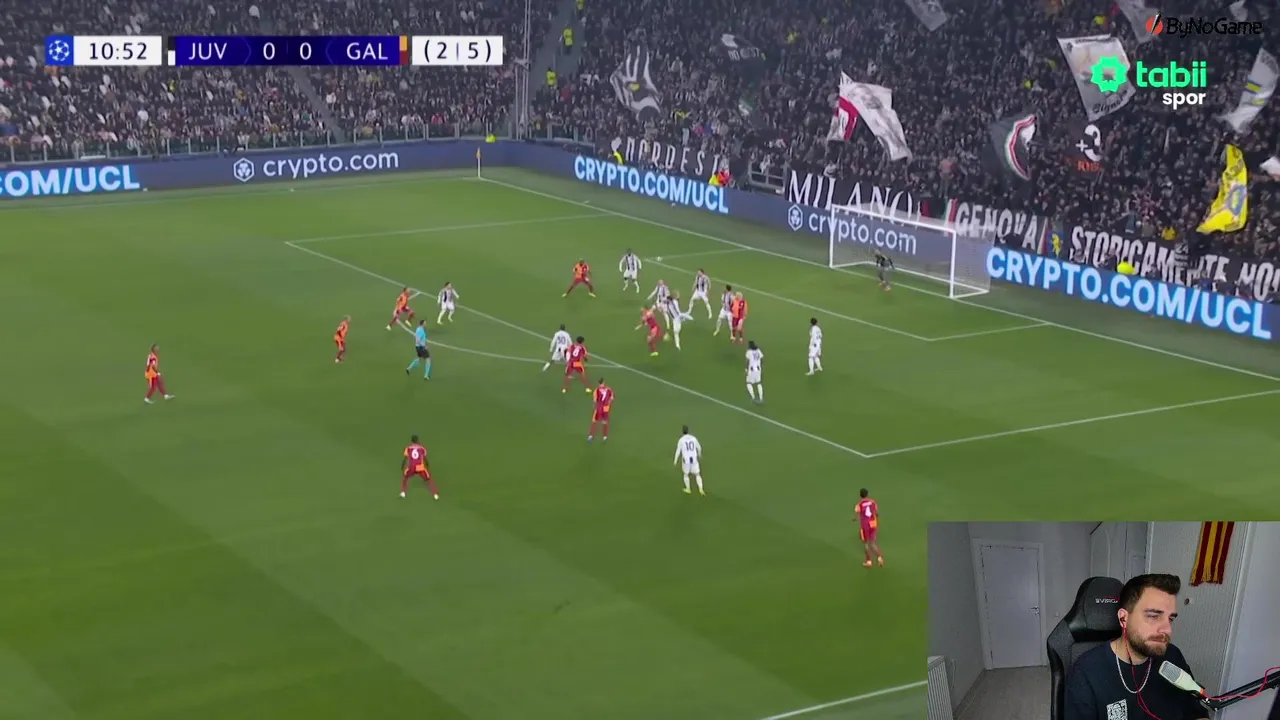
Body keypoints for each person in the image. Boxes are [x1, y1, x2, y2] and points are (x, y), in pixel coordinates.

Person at [1064, 574, 1209, 720]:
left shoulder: (1173, 656)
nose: (1167, 630)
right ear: (1123, 618)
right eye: (1153, 616)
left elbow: (1196, 713)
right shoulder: (1086, 672)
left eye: (1170, 619)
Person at [400, 434, 439, 499]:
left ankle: (403, 493)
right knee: (429, 480)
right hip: (420, 467)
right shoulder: (422, 448)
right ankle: (435, 495)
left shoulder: (408, 448)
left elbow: (405, 458)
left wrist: (402, 466)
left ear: (411, 441)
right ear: (417, 441)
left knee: (405, 478)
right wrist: (427, 466)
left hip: (411, 467)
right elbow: (425, 459)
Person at [673, 425, 704, 495]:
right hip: (694, 459)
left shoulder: (681, 440)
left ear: (682, 431)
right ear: (688, 430)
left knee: (686, 474)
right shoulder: (693, 438)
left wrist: (675, 461)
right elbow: (699, 447)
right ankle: (701, 489)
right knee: (697, 474)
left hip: (686, 460)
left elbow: (678, 451)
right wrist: (699, 454)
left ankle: (688, 489)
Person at [855, 489, 883, 567]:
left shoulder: (859, 504)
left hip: (865, 525)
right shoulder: (873, 502)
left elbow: (857, 514)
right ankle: (880, 557)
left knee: (866, 544)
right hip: (873, 524)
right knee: (872, 542)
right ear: (867, 494)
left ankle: (869, 561)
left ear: (860, 495)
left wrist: (854, 519)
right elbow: (877, 513)